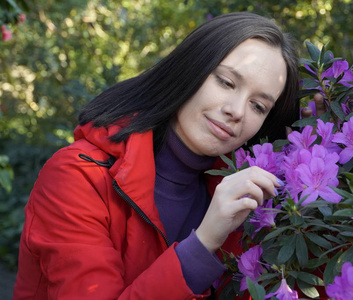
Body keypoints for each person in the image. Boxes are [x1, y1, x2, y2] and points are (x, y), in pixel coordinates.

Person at [13, 12, 301, 299]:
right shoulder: (77, 175)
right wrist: (203, 244)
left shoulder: (245, 200)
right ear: (189, 69)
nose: (237, 111)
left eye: (258, 106)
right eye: (226, 82)